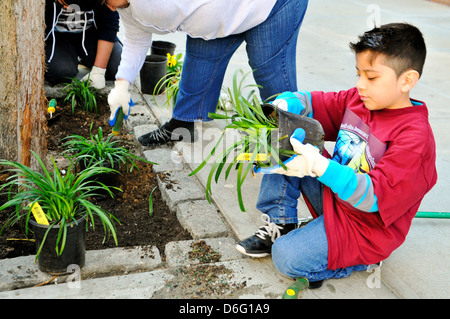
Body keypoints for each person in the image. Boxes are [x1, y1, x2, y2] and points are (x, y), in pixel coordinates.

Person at [235, 23, 437, 286]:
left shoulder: (415, 139)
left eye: (371, 77)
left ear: (407, 80)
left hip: (364, 229)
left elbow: (374, 196)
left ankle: (360, 260)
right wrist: (286, 104)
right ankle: (280, 223)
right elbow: (317, 103)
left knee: (286, 257)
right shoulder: (360, 99)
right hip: (336, 196)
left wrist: (317, 166)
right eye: (358, 74)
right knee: (287, 135)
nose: (360, 85)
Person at [105, 0, 309, 145]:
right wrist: (122, 85)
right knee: (201, 57)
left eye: (107, 0)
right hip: (223, 12)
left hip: (270, 7)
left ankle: (292, 140)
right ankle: (182, 125)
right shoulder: (127, 6)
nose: (111, 7)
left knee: (269, 70)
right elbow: (136, 40)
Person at [45, 0, 122, 89]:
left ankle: (85, 58)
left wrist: (99, 71)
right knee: (61, 73)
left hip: (91, 32)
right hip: (57, 36)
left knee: (119, 68)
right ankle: (70, 58)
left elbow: (109, 22)